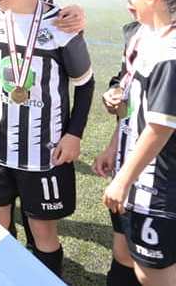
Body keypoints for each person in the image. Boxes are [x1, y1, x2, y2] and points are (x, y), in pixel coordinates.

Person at [0, 0, 94, 277]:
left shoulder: (61, 27)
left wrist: (73, 134)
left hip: (45, 151)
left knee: (42, 232)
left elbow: (84, 84)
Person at [104, 0, 176, 286]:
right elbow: (137, 106)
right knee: (129, 259)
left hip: (159, 184)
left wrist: (122, 180)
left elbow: (160, 128)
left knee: (153, 276)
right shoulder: (147, 37)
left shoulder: (169, 52)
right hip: (142, 174)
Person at [93, 19, 142, 286]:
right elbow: (129, 87)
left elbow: (160, 122)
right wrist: (114, 145)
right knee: (123, 252)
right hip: (129, 156)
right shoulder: (136, 31)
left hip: (159, 172)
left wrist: (124, 179)